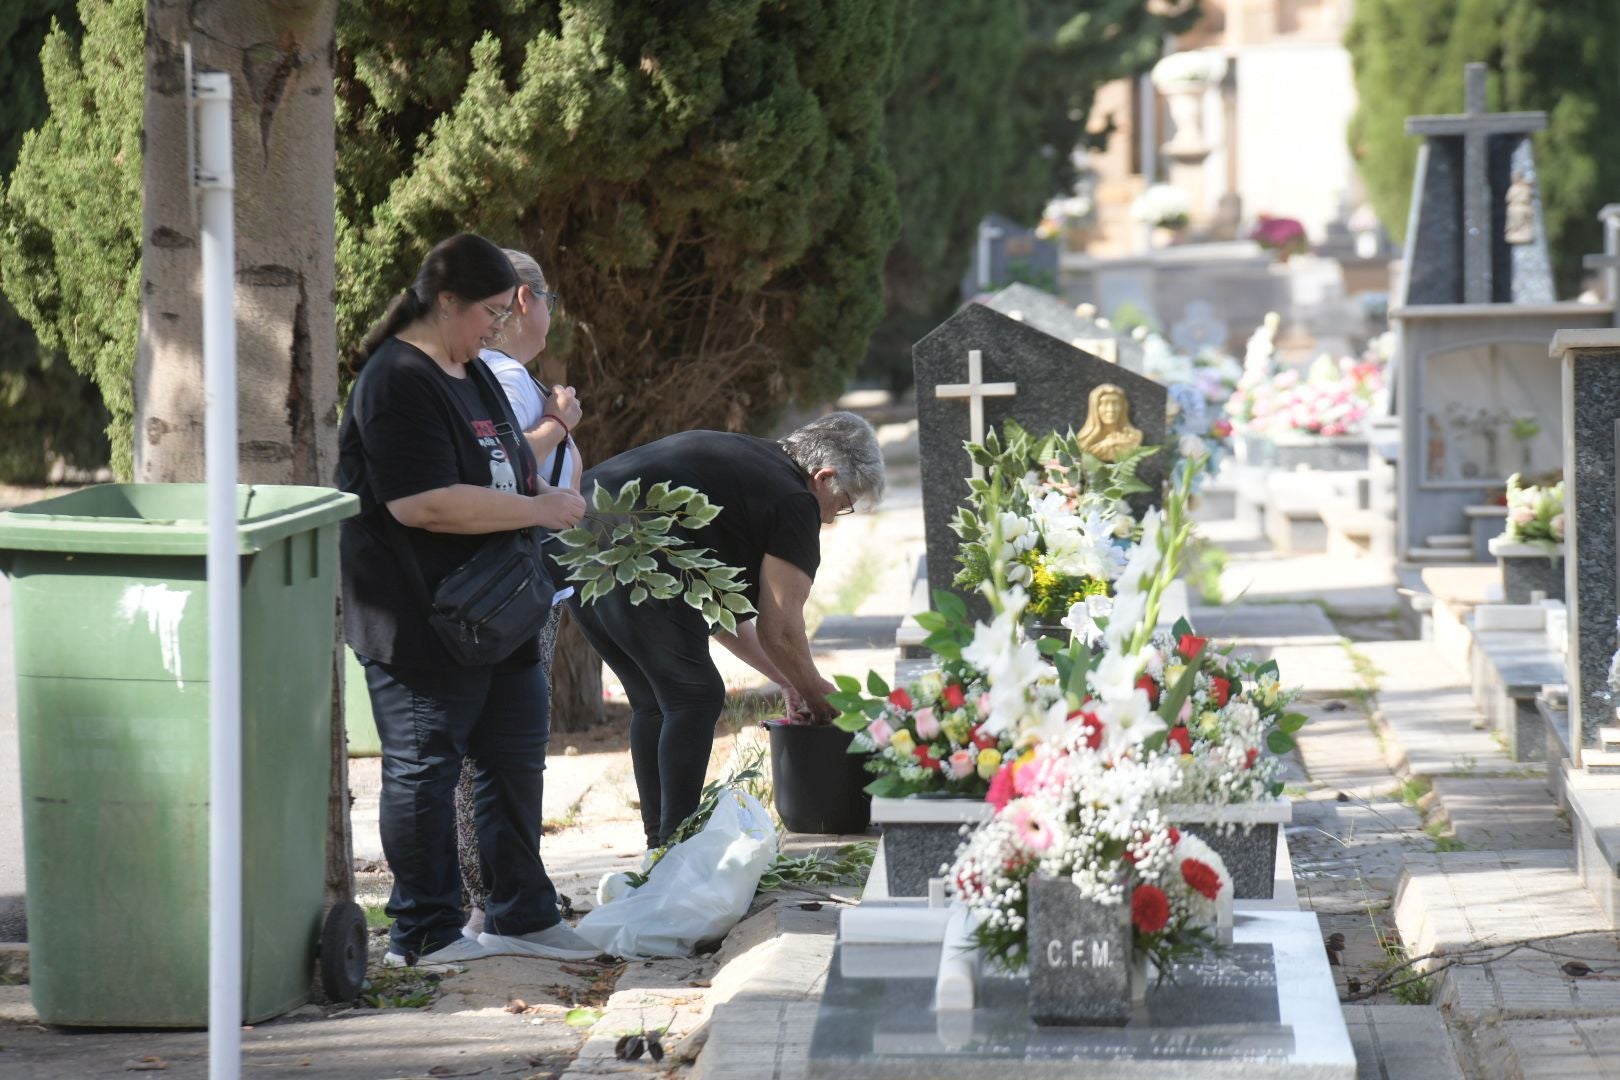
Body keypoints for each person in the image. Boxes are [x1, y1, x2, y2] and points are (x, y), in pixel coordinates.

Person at [337, 232, 599, 965]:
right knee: (426, 767)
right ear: (444, 301)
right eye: (487, 310)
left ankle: (523, 913)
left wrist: (546, 493)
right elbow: (421, 504)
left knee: (514, 757)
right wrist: (538, 511)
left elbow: (507, 467)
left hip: (501, 611)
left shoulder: (474, 370)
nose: (496, 325)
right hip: (420, 617)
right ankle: (423, 932)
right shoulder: (396, 379)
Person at [568, 413, 886, 850]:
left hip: (578, 538)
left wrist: (788, 680)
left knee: (655, 700)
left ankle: (661, 848)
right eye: (843, 502)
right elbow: (782, 629)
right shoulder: (795, 500)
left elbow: (720, 607)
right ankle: (676, 848)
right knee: (693, 695)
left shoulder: (751, 467)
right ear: (824, 477)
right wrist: (819, 695)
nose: (832, 519)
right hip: (629, 544)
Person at [453, 248, 581, 942]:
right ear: (524, 300)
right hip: (511, 587)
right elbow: (500, 465)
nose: (552, 311)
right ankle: (494, 903)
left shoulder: (501, 373)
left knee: (499, 746)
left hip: (523, 583)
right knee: (501, 748)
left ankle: (493, 901)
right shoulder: (503, 375)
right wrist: (560, 423)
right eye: (549, 296)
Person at [1076, 383, 1144, 462]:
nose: (1110, 409)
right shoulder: (1084, 441)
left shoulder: (1134, 437)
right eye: (1104, 404)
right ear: (1094, 408)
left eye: (1115, 403)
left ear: (1123, 408)